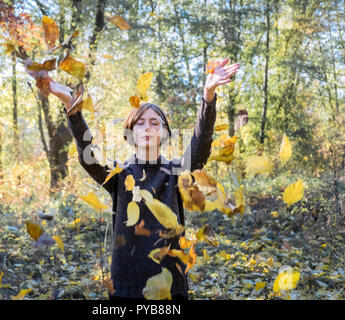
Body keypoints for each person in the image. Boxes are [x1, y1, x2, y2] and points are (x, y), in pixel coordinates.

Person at [26, 57, 239, 299]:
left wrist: (208, 96)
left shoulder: (176, 172)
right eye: (140, 123)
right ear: (130, 133)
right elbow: (89, 157)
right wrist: (71, 106)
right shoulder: (120, 175)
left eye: (154, 123)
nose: (147, 128)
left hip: (170, 281)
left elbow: (200, 148)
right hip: (126, 284)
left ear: (165, 133)